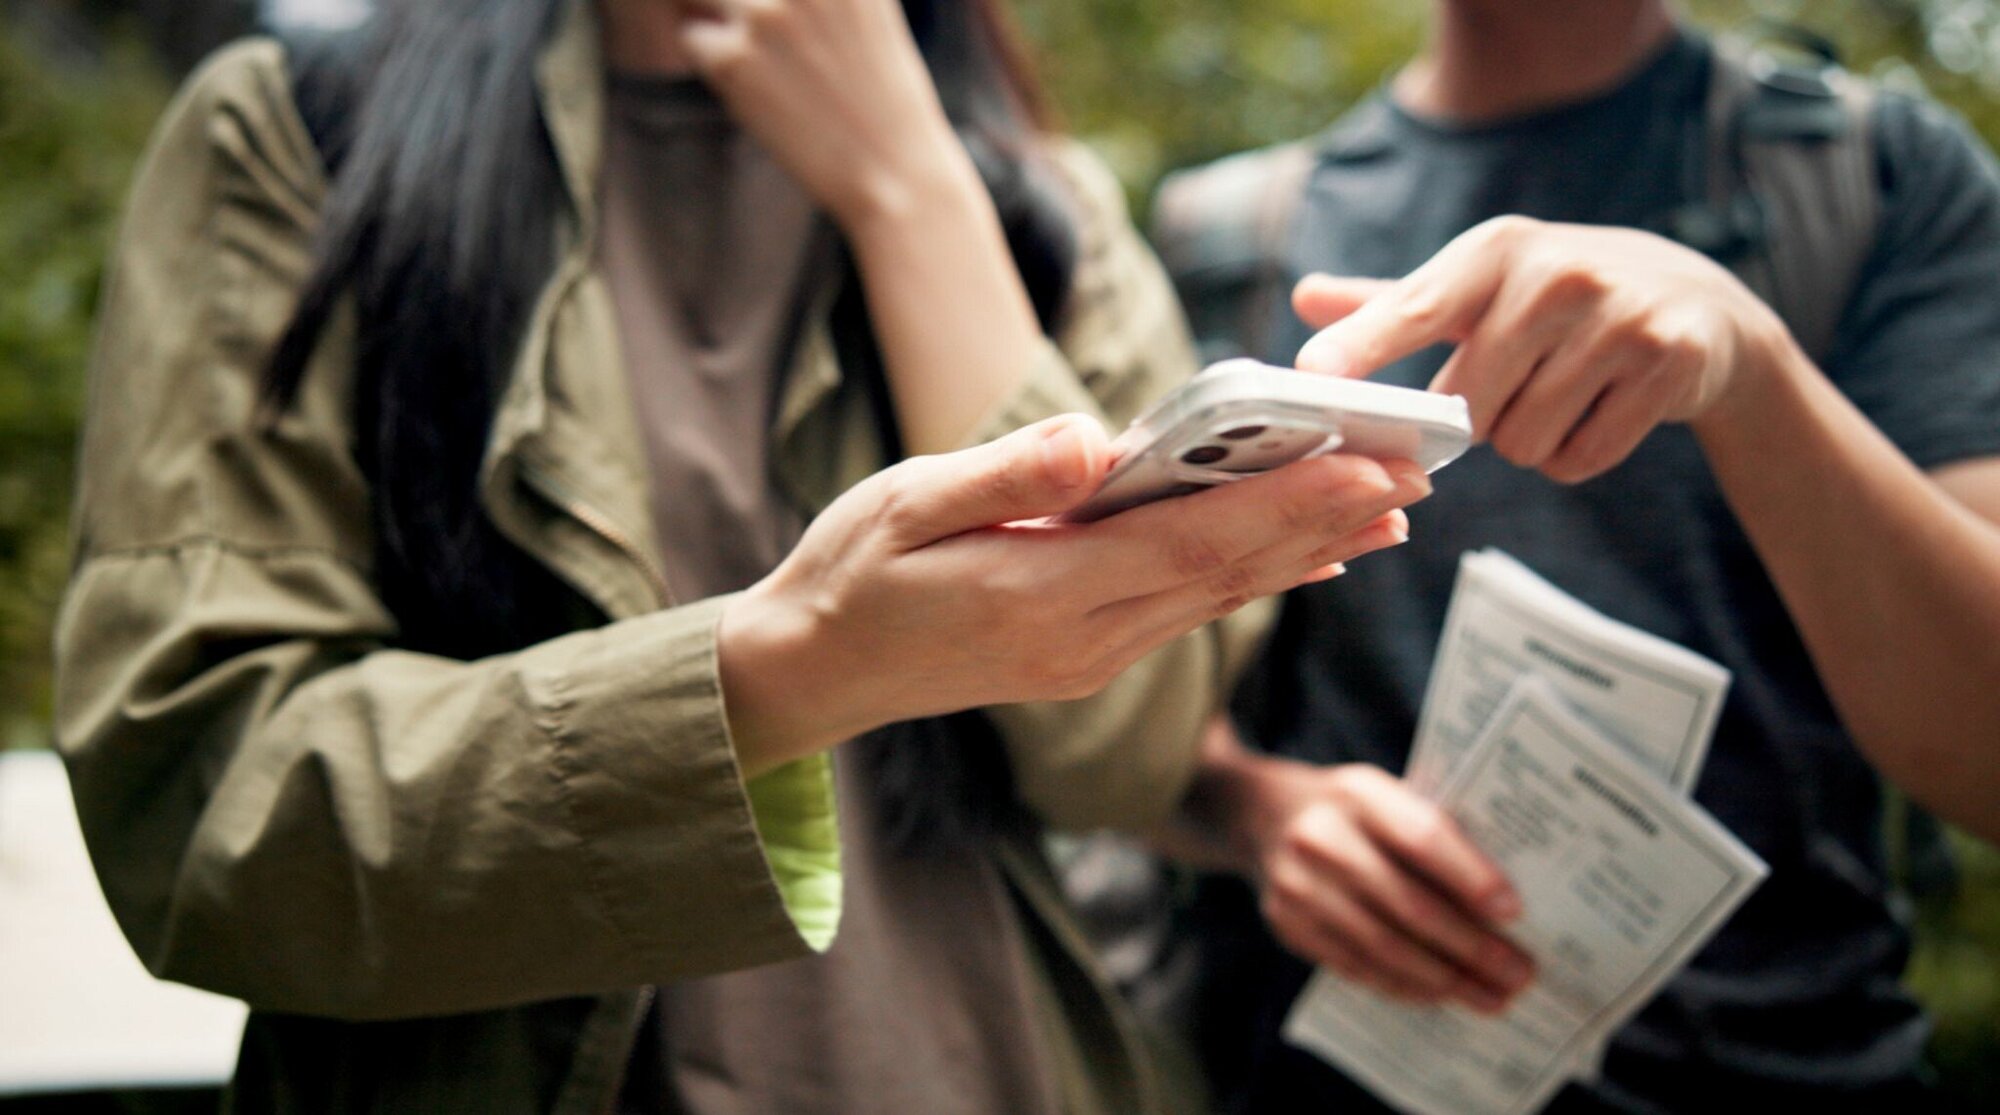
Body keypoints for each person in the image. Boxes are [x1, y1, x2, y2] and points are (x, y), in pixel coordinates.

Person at [53, 0, 1432, 1111]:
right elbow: (211, 818)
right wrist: (790, 667)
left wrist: (906, 185)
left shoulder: (1039, 205)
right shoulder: (301, 140)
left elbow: (1120, 752)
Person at [1153, 0, 2000, 1110]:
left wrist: (1749, 367)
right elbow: (1112, 712)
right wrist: (1256, 809)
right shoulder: (1237, 237)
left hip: (1789, 1069)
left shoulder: (1866, 177)